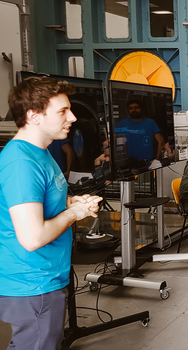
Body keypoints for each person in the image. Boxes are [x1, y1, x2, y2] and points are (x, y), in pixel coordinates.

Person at [0, 77, 102, 349]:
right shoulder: (22, 163)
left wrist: (69, 203)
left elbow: (39, 202)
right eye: (62, 111)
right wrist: (74, 214)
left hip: (45, 278)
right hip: (32, 283)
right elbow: (32, 237)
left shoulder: (40, 152)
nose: (72, 116)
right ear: (34, 116)